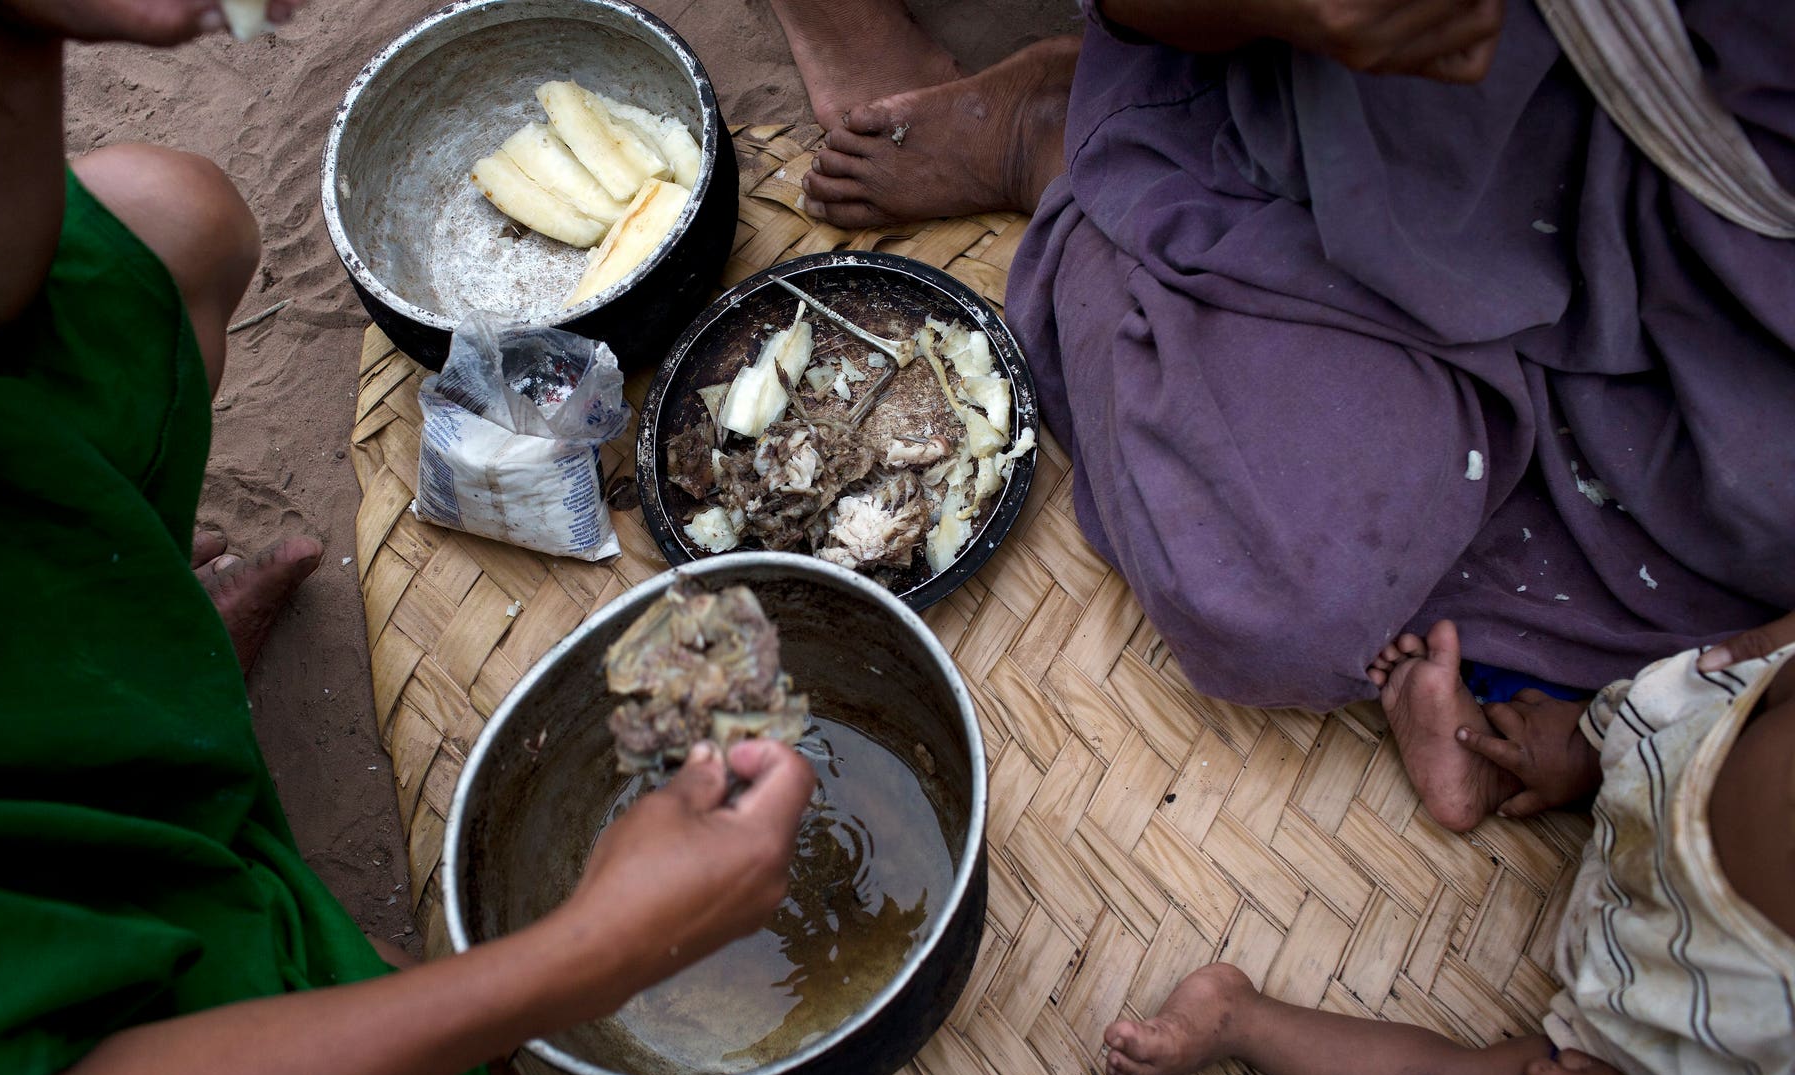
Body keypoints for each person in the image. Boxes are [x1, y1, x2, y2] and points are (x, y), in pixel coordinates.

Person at [0, 2, 814, 1075]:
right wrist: (596, 952)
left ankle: (134, 656)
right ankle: (147, 781)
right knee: (414, 1021)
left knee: (171, 222)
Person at [769, 0, 1795, 828]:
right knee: (1264, 593)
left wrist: (1647, 723)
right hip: (1408, 165)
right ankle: (1081, 130)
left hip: (1727, 292)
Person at [1102, 611, 1795, 1075]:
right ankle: (1537, 759)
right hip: (1690, 742)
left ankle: (1237, 1019)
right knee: (1604, 732)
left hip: (1689, 1016)